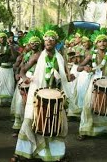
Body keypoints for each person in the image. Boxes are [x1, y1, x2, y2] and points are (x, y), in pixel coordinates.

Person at [12, 26, 69, 162]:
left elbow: (65, 75)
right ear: (44, 42)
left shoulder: (60, 58)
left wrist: (68, 77)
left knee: (55, 124)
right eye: (47, 39)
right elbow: (23, 70)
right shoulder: (37, 56)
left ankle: (55, 154)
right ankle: (20, 153)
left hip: (54, 96)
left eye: (52, 39)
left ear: (56, 42)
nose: (49, 42)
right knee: (29, 121)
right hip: (37, 95)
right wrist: (24, 77)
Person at [77, 28, 107, 140]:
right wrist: (85, 67)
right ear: (96, 43)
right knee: (88, 106)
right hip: (94, 83)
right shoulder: (92, 54)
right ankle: (84, 131)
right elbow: (79, 68)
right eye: (100, 41)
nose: (102, 43)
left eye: (104, 41)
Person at [11, 30, 42, 137]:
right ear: (29, 44)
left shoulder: (42, 55)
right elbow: (21, 67)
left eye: (36, 43)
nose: (34, 45)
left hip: (37, 79)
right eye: (32, 43)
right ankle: (20, 128)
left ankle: (34, 127)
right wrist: (20, 75)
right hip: (25, 80)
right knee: (20, 104)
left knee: (35, 105)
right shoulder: (26, 55)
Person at [0, 32, 18, 106]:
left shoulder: (10, 47)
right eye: (1, 37)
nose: (2, 39)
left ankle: (10, 102)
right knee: (0, 84)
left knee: (10, 84)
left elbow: (14, 57)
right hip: (0, 69)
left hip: (9, 68)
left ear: (6, 39)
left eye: (4, 38)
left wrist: (11, 47)